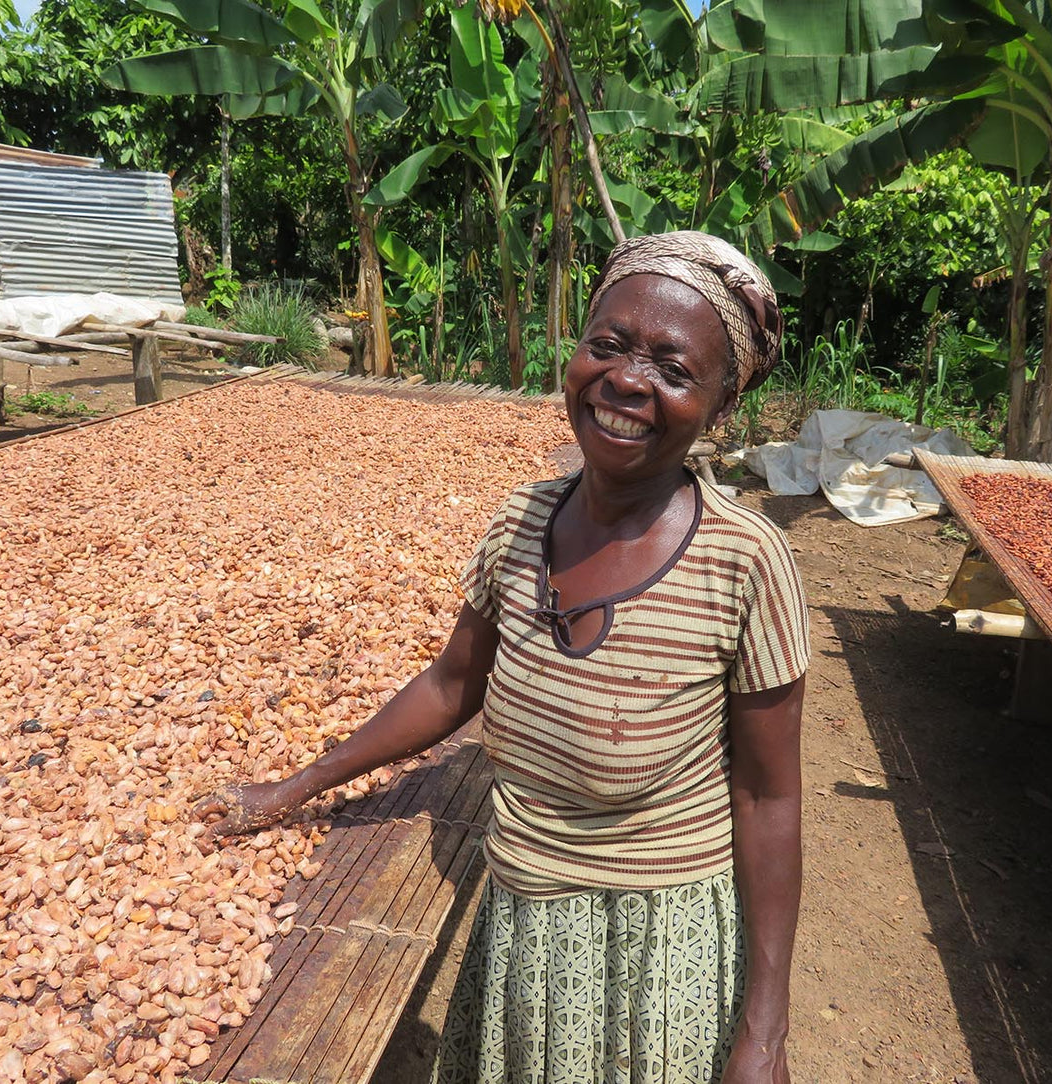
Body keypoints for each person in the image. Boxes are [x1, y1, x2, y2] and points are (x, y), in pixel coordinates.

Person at [196, 230, 809, 1084]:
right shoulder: (523, 521)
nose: (627, 381)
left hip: (657, 938)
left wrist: (764, 1033)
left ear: (720, 402)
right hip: (521, 912)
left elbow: (769, 794)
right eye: (608, 345)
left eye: (673, 370)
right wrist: (295, 787)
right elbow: (452, 684)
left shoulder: (744, 562)